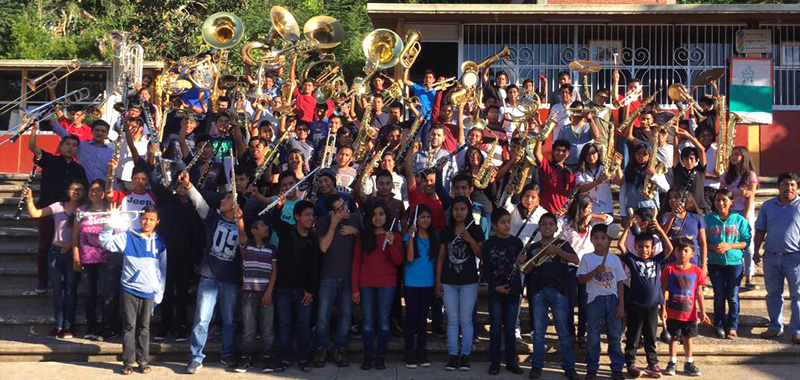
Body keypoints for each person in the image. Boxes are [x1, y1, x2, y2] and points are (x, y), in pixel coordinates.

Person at [181, 172, 243, 374]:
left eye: (227, 198)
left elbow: (245, 244)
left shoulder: (243, 224)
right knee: (201, 319)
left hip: (230, 279)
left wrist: (241, 221)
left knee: (229, 319)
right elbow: (199, 203)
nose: (222, 200)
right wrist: (189, 185)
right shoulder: (213, 218)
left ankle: (228, 354)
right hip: (209, 276)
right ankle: (196, 357)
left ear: (235, 205)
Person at [98, 205, 166, 376]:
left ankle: (143, 361)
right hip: (130, 289)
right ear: (139, 219)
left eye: (151, 219)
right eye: (144, 218)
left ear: (157, 221)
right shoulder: (128, 236)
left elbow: (162, 270)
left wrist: (159, 293)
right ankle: (128, 361)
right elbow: (105, 242)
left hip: (150, 291)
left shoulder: (160, 242)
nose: (147, 222)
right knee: (129, 326)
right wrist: (109, 224)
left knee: (144, 327)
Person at [27, 126, 87, 294]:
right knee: (44, 245)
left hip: (69, 212)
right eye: (67, 144)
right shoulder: (49, 160)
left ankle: (65, 278)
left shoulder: (79, 169)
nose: (71, 147)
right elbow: (32, 147)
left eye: (74, 145)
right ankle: (43, 280)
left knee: (68, 244)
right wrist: (33, 129)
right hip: (48, 209)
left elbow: (82, 191)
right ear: (61, 146)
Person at [23, 180, 86, 339]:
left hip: (73, 252)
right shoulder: (58, 206)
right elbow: (35, 214)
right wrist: (29, 199)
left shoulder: (84, 210)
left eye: (79, 189)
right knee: (58, 290)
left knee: (71, 290)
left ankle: (68, 325)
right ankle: (58, 325)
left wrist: (70, 245)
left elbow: (84, 234)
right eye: (73, 189)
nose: (76, 192)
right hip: (55, 251)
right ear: (67, 191)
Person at [524, 213, 580, 380]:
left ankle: (569, 367)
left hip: (559, 291)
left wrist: (557, 251)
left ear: (556, 228)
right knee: (539, 332)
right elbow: (526, 269)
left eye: (551, 224)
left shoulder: (562, 244)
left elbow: (576, 260)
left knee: (563, 332)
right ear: (539, 227)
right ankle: (537, 365)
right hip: (538, 291)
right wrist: (540, 255)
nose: (547, 227)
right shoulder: (533, 247)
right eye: (544, 224)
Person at [351, 201, 403, 370]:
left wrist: (392, 243)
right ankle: (368, 356)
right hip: (366, 283)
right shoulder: (364, 236)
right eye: (374, 214)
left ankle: (381, 356)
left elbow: (398, 261)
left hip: (387, 283)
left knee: (383, 321)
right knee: (367, 321)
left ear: (387, 216)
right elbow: (356, 263)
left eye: (381, 214)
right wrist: (354, 288)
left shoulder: (394, 235)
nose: (378, 217)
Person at [618, 223, 674, 379]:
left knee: (650, 334)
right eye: (641, 246)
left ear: (652, 248)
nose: (644, 249)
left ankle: (652, 362)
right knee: (633, 335)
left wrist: (661, 231)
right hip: (635, 304)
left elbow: (669, 249)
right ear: (635, 247)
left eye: (647, 247)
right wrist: (627, 228)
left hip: (652, 306)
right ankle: (630, 362)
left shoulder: (657, 261)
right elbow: (620, 245)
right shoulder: (632, 260)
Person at [314, 194, 363, 368]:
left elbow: (367, 242)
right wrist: (334, 225)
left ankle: (340, 347)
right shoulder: (323, 222)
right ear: (331, 212)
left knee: (345, 315)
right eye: (340, 208)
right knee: (323, 315)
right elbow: (323, 247)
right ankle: (322, 347)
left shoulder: (356, 219)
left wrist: (355, 232)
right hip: (328, 275)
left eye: (345, 205)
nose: (345, 209)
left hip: (349, 275)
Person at [271, 199, 320, 372]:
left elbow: (315, 266)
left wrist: (310, 290)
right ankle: (284, 358)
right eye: (306, 214)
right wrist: (278, 206)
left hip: (303, 290)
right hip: (283, 287)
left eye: (312, 215)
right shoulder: (287, 231)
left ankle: (304, 358)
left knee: (304, 325)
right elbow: (274, 221)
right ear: (297, 217)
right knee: (284, 324)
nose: (310, 218)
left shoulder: (314, 238)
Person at [436, 196, 484, 371]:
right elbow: (441, 257)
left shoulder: (476, 229)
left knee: (465, 319)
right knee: (452, 320)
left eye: (462, 209)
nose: (459, 212)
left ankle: (465, 355)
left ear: (468, 211)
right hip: (448, 281)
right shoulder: (447, 230)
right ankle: (452, 354)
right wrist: (438, 281)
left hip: (469, 281)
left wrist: (471, 240)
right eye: (456, 209)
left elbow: (481, 255)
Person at [577, 224, 628, 380]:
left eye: (603, 238)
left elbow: (620, 282)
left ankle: (617, 368)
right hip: (594, 301)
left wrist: (621, 304)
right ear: (591, 240)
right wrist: (595, 272)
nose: (599, 241)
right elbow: (581, 280)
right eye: (596, 238)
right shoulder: (587, 258)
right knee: (593, 335)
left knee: (614, 334)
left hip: (612, 300)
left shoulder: (614, 259)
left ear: (608, 240)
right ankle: (592, 368)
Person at [561, 194, 614, 346]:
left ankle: (581, 334)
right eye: (587, 208)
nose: (589, 211)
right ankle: (570, 333)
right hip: (570, 267)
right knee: (570, 302)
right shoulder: (566, 222)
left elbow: (609, 219)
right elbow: (558, 230)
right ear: (579, 208)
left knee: (585, 303)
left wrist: (592, 215)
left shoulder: (592, 221)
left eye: (591, 208)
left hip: (588, 268)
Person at [754, 172, 800, 344]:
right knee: (773, 294)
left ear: (796, 187)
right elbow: (760, 230)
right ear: (778, 186)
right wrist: (756, 250)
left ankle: (797, 330)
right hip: (771, 257)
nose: (789, 188)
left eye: (792, 185)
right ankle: (775, 327)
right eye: (785, 184)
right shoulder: (768, 206)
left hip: (795, 258)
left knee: (798, 296)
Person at [704, 188, 751, 339]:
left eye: (724, 200)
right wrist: (713, 247)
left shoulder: (739, 220)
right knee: (719, 295)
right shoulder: (707, 219)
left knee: (732, 295)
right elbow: (702, 241)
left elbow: (746, 241)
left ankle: (732, 326)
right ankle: (718, 324)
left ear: (731, 202)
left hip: (735, 262)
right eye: (718, 200)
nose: (721, 203)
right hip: (715, 262)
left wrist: (730, 246)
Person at [482, 208, 524, 375]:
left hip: (513, 290)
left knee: (510, 326)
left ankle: (511, 361)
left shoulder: (517, 243)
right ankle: (495, 361)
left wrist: (522, 261)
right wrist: (494, 286)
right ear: (494, 225)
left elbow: (523, 269)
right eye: (503, 222)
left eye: (509, 222)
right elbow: (485, 270)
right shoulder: (488, 244)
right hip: (496, 291)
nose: (507, 225)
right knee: (495, 326)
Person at [234, 219, 279, 373]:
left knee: (267, 329)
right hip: (249, 293)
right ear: (253, 231)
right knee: (249, 328)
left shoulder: (271, 249)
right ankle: (247, 358)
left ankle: (267, 358)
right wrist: (239, 219)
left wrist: (269, 292)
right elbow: (241, 232)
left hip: (266, 293)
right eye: (262, 225)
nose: (266, 227)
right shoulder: (247, 246)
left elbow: (274, 271)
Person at [661, 237, 710, 376]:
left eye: (686, 250)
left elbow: (699, 292)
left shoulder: (697, 271)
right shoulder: (669, 269)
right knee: (674, 338)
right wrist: (663, 308)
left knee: (688, 337)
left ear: (692, 253)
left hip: (690, 313)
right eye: (679, 250)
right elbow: (663, 289)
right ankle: (672, 362)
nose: (682, 253)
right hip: (672, 312)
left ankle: (689, 362)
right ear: (674, 252)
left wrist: (702, 311)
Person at [71, 180, 110, 340]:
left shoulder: (109, 210)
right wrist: (76, 256)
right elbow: (75, 235)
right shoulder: (81, 210)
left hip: (105, 258)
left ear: (104, 192)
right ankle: (91, 326)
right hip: (86, 258)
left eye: (98, 190)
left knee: (106, 294)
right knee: (89, 294)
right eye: (91, 190)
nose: (94, 193)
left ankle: (105, 326)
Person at [403, 204, 438, 369]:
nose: (426, 220)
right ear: (416, 219)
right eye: (422, 217)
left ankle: (421, 351)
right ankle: (410, 351)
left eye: (428, 217)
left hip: (428, 283)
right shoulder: (409, 236)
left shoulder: (435, 236)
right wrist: (410, 237)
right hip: (411, 283)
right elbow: (409, 258)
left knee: (423, 319)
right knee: (411, 319)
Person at [720, 146, 759, 290]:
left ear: (744, 157)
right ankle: (729, 274)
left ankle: (750, 275)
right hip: (730, 212)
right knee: (729, 242)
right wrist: (739, 193)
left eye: (738, 154)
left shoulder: (750, 175)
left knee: (748, 244)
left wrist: (746, 216)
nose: (734, 157)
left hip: (744, 212)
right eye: (733, 154)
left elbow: (751, 196)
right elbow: (723, 194)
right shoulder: (726, 175)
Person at [50, 119, 114, 183]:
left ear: (107, 134)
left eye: (103, 131)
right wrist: (52, 121)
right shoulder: (82, 145)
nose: (100, 133)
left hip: (100, 190)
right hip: (82, 187)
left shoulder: (111, 153)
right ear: (92, 131)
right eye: (97, 130)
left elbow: (112, 173)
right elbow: (66, 135)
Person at [659, 189, 708, 270]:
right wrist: (672, 216)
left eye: (676, 197)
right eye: (670, 198)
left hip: (693, 263)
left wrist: (704, 265)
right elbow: (662, 234)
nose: (673, 200)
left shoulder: (696, 218)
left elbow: (702, 243)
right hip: (671, 264)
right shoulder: (665, 217)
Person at [575, 143, 624, 216]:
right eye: (588, 154)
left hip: (606, 209)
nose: (591, 156)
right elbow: (582, 188)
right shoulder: (581, 171)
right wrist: (599, 181)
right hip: (588, 211)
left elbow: (619, 182)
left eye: (593, 153)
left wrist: (618, 166)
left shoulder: (604, 169)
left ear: (598, 154)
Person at [533, 138, 576, 214]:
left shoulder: (569, 172)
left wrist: (566, 209)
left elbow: (571, 194)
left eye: (563, 151)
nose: (560, 153)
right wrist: (541, 138)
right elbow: (537, 153)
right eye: (558, 150)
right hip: (544, 211)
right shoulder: (547, 165)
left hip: (561, 214)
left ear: (568, 153)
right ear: (553, 152)